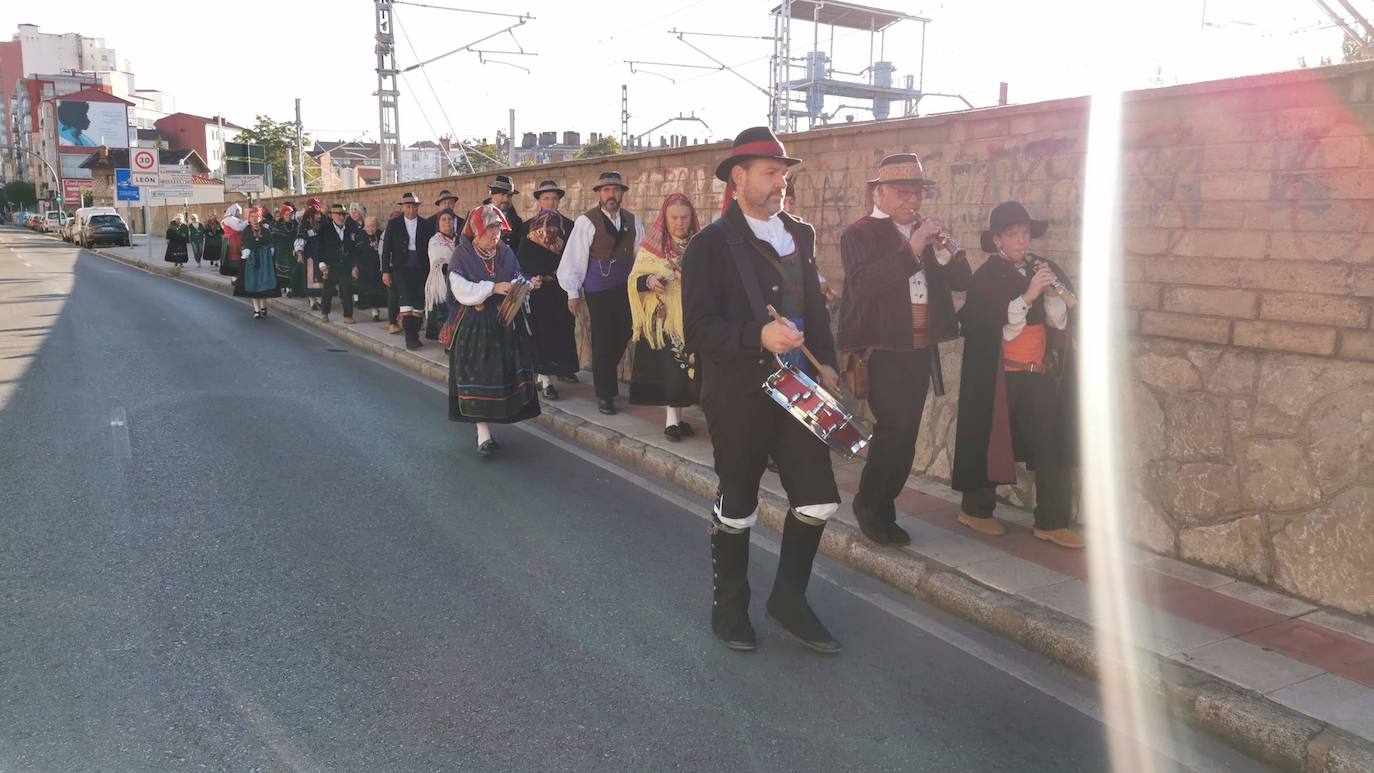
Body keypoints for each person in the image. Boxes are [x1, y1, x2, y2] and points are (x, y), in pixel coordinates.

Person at [682, 127, 843, 654]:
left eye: (784, 173)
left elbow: (815, 309)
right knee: (739, 502)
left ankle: (788, 599)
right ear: (738, 177)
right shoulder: (708, 245)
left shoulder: (800, 233)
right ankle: (729, 607)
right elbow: (699, 330)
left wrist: (830, 364)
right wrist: (757, 334)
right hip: (738, 392)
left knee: (819, 500)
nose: (782, 182)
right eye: (772, 173)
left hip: (797, 387)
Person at [836, 153, 974, 546]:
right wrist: (912, 248)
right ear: (878, 193)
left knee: (905, 435)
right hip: (882, 351)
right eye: (901, 192)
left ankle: (881, 505)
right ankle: (870, 505)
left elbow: (962, 280)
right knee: (893, 431)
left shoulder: (925, 234)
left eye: (916, 192)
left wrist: (946, 249)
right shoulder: (858, 234)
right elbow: (865, 285)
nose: (911, 200)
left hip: (918, 349)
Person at [951, 201, 1084, 550]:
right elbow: (1002, 328)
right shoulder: (988, 275)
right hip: (1000, 377)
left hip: (1036, 374)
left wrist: (1054, 294)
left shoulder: (1044, 267)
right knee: (990, 440)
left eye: (1025, 233)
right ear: (997, 240)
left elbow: (1058, 321)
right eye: (1013, 234)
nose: (1021, 240)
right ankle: (976, 510)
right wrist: (1029, 294)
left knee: (1051, 443)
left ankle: (1052, 522)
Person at [446, 203, 543, 456]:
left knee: (502, 375)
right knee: (478, 376)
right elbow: (459, 288)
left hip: (504, 323)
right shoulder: (462, 254)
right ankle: (483, 434)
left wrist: (524, 285)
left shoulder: (506, 252)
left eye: (498, 229)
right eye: (490, 229)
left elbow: (517, 276)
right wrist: (491, 288)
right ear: (477, 231)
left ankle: (499, 418)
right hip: (475, 325)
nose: (495, 234)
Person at [557, 171, 644, 415]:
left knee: (626, 330)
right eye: (606, 190)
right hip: (598, 287)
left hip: (624, 287)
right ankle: (605, 394)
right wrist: (572, 293)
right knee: (604, 337)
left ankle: (603, 372)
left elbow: (642, 256)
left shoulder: (632, 221)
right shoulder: (587, 221)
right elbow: (574, 257)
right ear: (599, 194)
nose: (611, 195)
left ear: (622, 194)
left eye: (616, 190)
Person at [628, 192, 701, 439]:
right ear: (665, 218)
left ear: (691, 218)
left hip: (693, 317)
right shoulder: (651, 248)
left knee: (685, 370)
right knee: (672, 370)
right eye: (674, 218)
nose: (680, 223)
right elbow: (634, 279)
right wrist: (648, 280)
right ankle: (671, 422)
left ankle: (679, 420)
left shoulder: (700, 246)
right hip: (665, 319)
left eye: (684, 217)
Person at [524, 180, 580, 387]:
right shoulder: (528, 226)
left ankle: (565, 368)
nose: (551, 202)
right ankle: (543, 374)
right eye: (546, 198)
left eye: (554, 198)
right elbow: (523, 259)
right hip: (539, 288)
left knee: (565, 328)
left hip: (563, 286)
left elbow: (576, 255)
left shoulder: (570, 226)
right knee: (541, 332)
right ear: (538, 201)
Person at [381, 192, 437, 350]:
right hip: (401, 268)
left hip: (421, 268)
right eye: (408, 207)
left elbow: (432, 248)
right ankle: (410, 337)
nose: (411, 210)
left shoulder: (427, 225)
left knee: (419, 302)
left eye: (414, 207)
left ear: (418, 207)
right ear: (403, 208)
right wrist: (385, 271)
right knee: (406, 301)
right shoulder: (394, 224)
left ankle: (414, 333)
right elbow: (386, 250)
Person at [233, 206, 282, 318]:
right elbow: (243, 243)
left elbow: (271, 242)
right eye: (252, 216)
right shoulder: (246, 230)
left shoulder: (265, 230)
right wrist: (244, 250)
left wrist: (270, 250)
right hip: (251, 261)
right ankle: (256, 310)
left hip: (264, 260)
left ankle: (264, 306)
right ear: (249, 218)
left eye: (256, 216)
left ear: (260, 218)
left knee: (263, 284)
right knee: (253, 285)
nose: (254, 219)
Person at [317, 203, 360, 324]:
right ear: (332, 216)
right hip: (330, 265)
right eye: (338, 215)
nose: (341, 217)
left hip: (345, 265)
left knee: (347, 290)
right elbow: (320, 247)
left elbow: (354, 249)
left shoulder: (351, 229)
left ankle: (348, 315)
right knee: (328, 290)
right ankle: (325, 312)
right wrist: (321, 263)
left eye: (343, 215)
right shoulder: (324, 229)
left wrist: (355, 265)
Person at [425, 209, 460, 339]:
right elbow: (437, 261)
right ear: (438, 223)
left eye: (450, 219)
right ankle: (445, 340)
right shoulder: (435, 241)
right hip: (442, 280)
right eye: (443, 219)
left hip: (458, 279)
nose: (447, 222)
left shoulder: (459, 239)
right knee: (444, 312)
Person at [351, 214, 388, 321]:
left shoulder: (381, 235)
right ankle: (373, 310)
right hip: (365, 267)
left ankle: (377, 311)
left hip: (378, 267)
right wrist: (355, 266)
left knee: (378, 291)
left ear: (377, 226)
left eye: (373, 226)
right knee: (369, 291)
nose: (370, 229)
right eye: (368, 227)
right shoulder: (360, 236)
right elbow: (355, 253)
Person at [293, 198, 325, 310]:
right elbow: (300, 240)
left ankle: (320, 299)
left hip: (320, 254)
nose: (319, 216)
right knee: (310, 277)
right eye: (317, 214)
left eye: (319, 214)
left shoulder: (322, 224)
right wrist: (299, 253)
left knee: (319, 276)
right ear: (311, 215)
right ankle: (312, 300)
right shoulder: (304, 226)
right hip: (309, 256)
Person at [484, 175, 523, 252]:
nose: (506, 199)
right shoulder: (478, 215)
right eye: (502, 194)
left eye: (509, 196)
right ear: (492, 194)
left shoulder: (516, 222)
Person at [270, 204, 297, 293]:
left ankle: (290, 287)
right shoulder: (278, 224)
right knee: (281, 269)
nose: (288, 216)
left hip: (291, 249)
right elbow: (273, 235)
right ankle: (284, 286)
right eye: (286, 214)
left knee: (291, 268)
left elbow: (296, 236)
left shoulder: (294, 224)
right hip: (280, 249)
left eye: (290, 215)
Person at [221, 204, 247, 277]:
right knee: (234, 257)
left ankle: (236, 274)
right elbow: (238, 228)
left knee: (236, 257)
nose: (239, 213)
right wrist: (246, 221)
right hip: (233, 240)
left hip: (235, 240)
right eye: (238, 211)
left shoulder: (232, 219)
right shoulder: (229, 219)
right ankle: (234, 275)